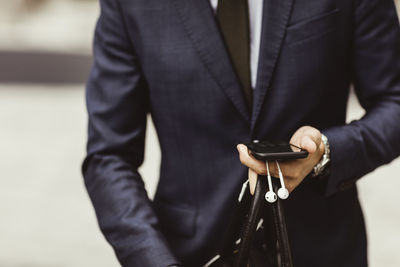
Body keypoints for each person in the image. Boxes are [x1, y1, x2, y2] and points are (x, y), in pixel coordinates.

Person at [82, 0, 400, 266]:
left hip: (324, 249)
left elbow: (394, 101)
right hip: (191, 253)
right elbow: (108, 156)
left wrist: (326, 153)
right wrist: (154, 259)